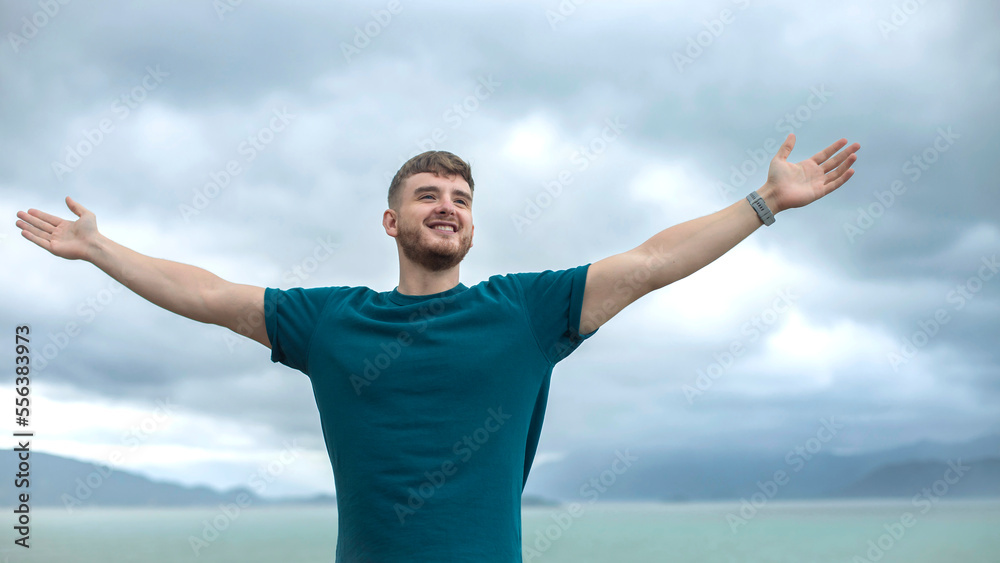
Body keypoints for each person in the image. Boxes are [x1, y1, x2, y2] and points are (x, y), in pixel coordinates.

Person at [15, 133, 860, 561]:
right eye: (427, 195)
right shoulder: (331, 321)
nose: (446, 206)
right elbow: (206, 295)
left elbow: (646, 263)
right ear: (393, 221)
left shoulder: (525, 310)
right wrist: (99, 248)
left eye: (459, 196)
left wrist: (763, 203)